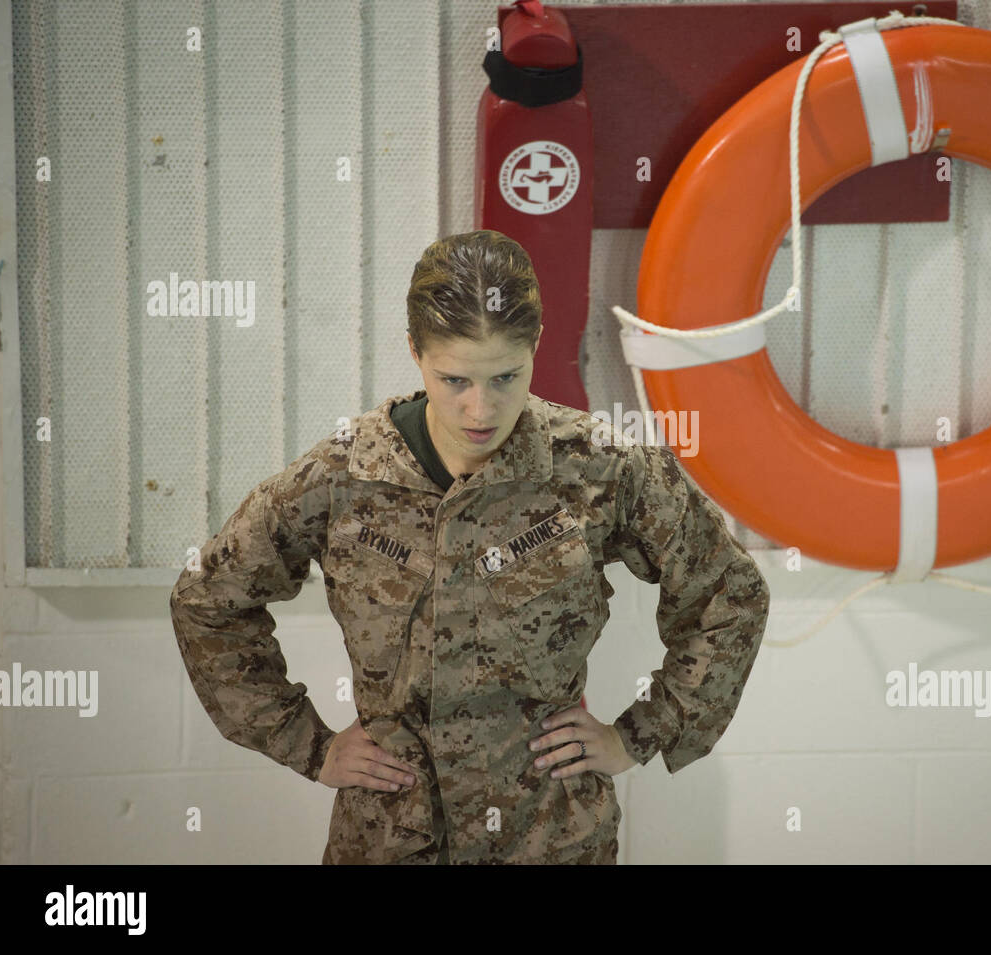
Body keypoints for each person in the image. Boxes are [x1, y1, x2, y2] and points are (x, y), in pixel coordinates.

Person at [169, 229, 771, 864]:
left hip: (548, 837)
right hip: (390, 839)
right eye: (453, 379)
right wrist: (307, 743)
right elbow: (207, 599)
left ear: (536, 347)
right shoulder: (344, 477)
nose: (480, 408)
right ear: (414, 352)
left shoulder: (598, 468)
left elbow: (729, 594)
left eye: (505, 376)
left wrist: (642, 733)